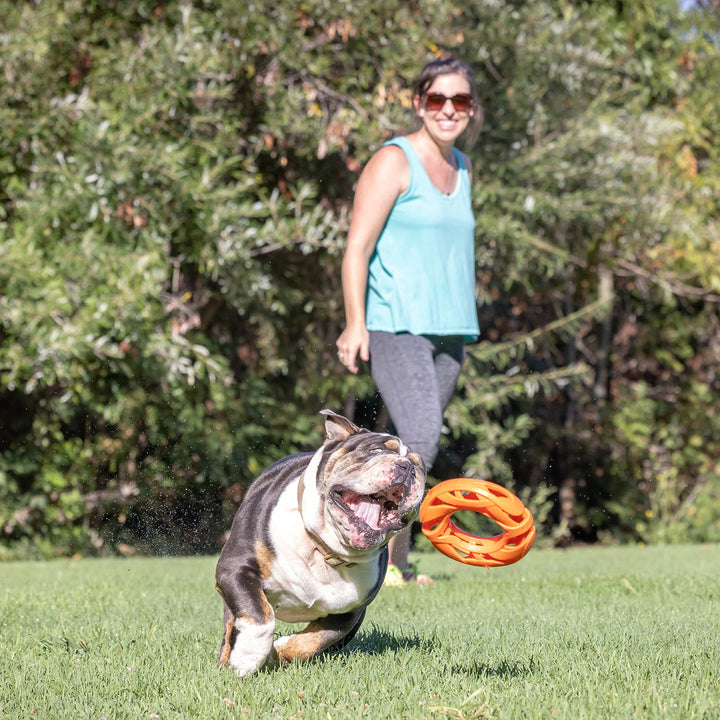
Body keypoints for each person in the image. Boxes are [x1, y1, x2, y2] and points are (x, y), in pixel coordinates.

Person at [335, 55, 482, 585]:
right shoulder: (394, 161)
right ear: (419, 103)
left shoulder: (462, 167)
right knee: (420, 437)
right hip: (397, 325)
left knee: (404, 442)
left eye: (459, 100)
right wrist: (356, 323)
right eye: (437, 99)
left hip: (451, 331)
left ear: (470, 109)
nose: (448, 109)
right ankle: (369, 555)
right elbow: (356, 249)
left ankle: (388, 562)